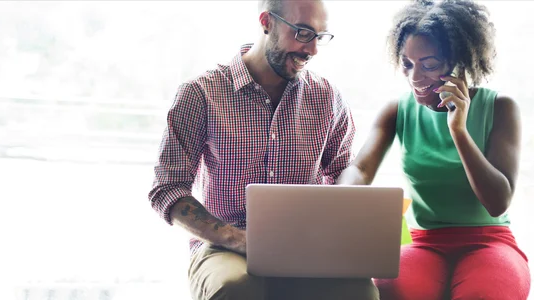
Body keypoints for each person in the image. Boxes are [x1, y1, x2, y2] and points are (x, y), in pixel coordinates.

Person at [148, 0, 380, 299]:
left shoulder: (327, 98)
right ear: (266, 22)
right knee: (236, 287)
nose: (312, 50)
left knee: (360, 292)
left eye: (319, 37)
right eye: (303, 33)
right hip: (222, 246)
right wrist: (235, 238)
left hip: (305, 246)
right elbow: (167, 188)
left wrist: (348, 216)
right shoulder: (201, 93)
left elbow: (341, 175)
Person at [337, 0, 531, 299]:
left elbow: (497, 202)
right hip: (422, 241)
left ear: (461, 61)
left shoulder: (501, 107)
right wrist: (342, 196)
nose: (415, 78)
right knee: (391, 290)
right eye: (407, 63)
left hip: (489, 241)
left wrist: (459, 130)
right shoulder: (397, 110)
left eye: (429, 64)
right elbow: (360, 169)